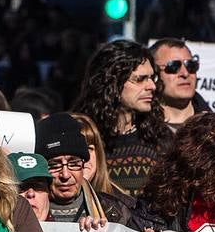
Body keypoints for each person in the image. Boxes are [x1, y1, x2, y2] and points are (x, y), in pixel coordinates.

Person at [72, 40, 169, 199]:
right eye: (140, 79)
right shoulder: (80, 135)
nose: (151, 86)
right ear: (112, 82)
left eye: (152, 78)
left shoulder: (159, 138)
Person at [36, 114, 133, 229]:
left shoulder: (115, 211)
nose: (65, 175)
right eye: (54, 165)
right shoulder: (27, 212)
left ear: (83, 165)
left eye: (73, 164)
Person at [149, 38, 207, 131]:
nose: (185, 74)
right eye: (173, 66)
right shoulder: (136, 128)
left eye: (190, 65)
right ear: (154, 75)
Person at [11, 153, 52, 221]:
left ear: (49, 193)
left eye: (38, 186)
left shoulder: (69, 230)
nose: (30, 194)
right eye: (21, 187)